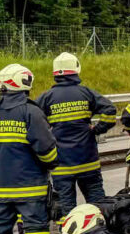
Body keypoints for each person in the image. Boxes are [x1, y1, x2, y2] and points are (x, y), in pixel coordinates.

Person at [0, 64, 60, 234]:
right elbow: (45, 147)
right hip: (30, 181)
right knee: (35, 224)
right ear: (25, 83)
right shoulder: (31, 111)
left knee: (0, 224)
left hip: (2, 183)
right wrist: (51, 164)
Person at [38, 53, 117, 216]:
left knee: (67, 208)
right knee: (97, 204)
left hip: (61, 164)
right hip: (88, 160)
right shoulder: (86, 93)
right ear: (76, 70)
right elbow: (110, 111)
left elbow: (34, 123)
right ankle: (99, 231)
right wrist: (96, 130)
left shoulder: (46, 98)